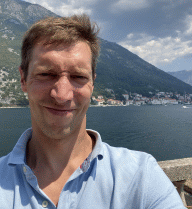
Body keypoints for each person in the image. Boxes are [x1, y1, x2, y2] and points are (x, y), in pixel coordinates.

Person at [0, 14, 185, 208]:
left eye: (78, 76)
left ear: (93, 83)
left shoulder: (142, 175)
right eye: (46, 74)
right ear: (23, 80)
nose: (62, 95)